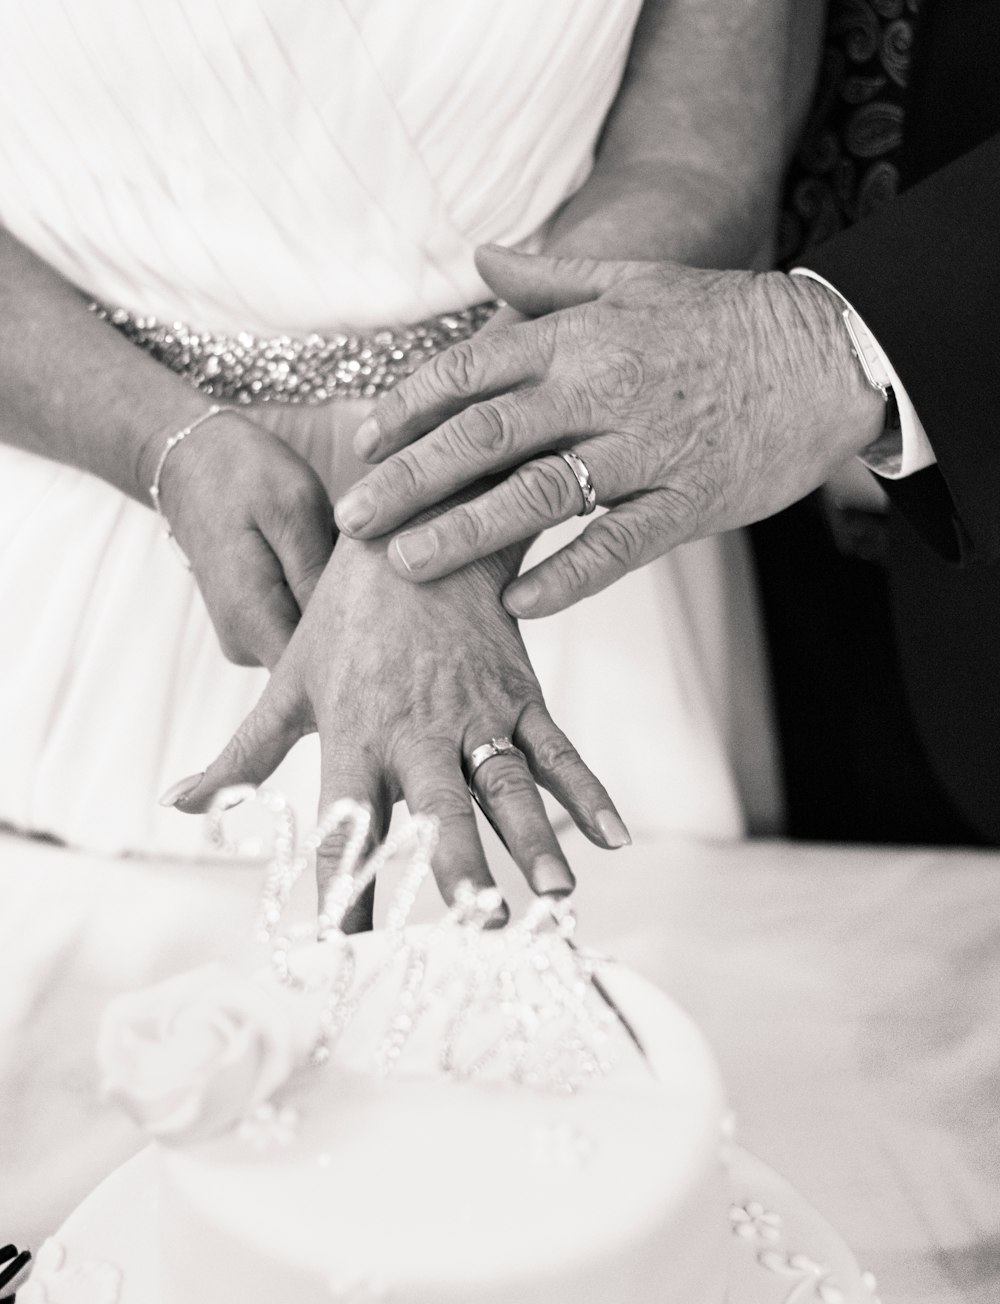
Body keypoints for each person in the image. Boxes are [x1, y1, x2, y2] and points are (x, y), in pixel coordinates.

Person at [0, 1, 809, 907]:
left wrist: (455, 497)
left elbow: (695, 153)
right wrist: (160, 443)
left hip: (557, 515)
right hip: (82, 523)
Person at [330, 0, 1000, 847]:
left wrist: (834, 343)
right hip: (748, 552)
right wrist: (156, 440)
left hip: (734, 461)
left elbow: (690, 155)